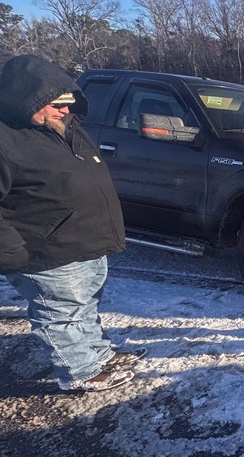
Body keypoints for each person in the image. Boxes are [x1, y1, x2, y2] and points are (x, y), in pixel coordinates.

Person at [0, 55, 144, 392]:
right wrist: (13, 254)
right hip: (45, 248)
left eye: (68, 102)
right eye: (54, 104)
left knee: (85, 305)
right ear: (25, 99)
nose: (64, 110)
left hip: (85, 242)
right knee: (60, 314)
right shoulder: (5, 140)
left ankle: (98, 355)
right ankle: (79, 371)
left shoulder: (66, 130)